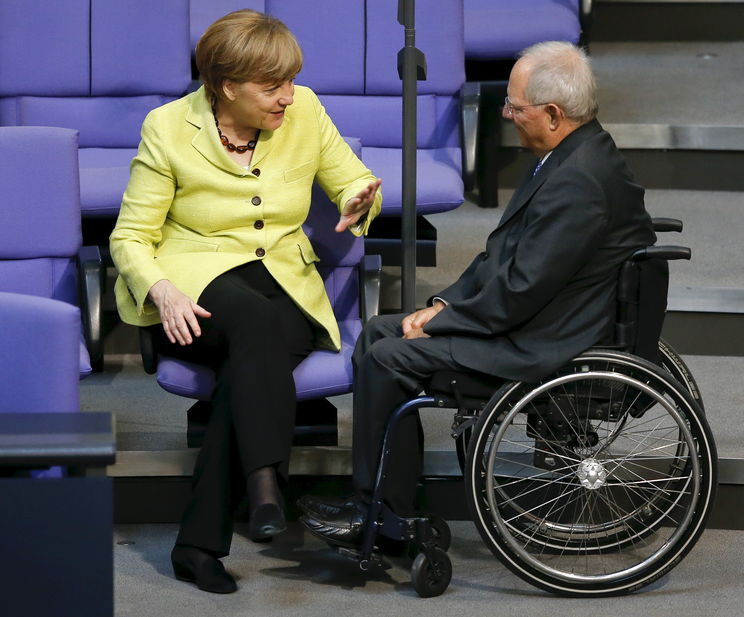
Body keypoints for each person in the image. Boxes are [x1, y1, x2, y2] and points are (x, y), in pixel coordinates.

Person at [298, 41, 656, 547]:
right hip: (539, 317)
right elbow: (500, 258)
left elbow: (519, 290)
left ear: (553, 115)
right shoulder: (574, 156)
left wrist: (440, 323)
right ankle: (387, 498)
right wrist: (442, 305)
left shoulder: (579, 182)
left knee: (387, 357)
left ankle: (383, 518)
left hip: (544, 341)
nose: (506, 114)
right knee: (380, 330)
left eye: (515, 107)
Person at [109, 10, 381, 594]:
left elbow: (353, 179)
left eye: (290, 82)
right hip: (191, 289)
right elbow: (130, 236)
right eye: (271, 86)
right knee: (256, 324)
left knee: (253, 354)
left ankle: (200, 541)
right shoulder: (167, 126)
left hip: (283, 282)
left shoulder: (305, 110)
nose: (288, 97)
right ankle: (264, 483)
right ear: (227, 87)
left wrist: (361, 198)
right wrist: (160, 288)